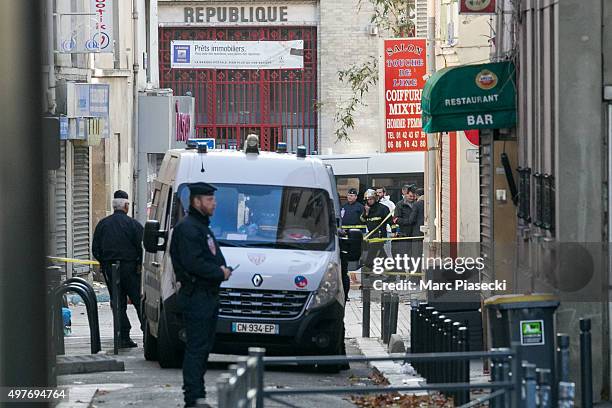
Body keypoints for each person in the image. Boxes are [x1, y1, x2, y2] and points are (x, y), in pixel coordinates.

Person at [170, 182, 233, 408]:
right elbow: (193, 262)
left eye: (213, 200)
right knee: (196, 348)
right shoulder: (188, 228)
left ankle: (198, 394)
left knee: (203, 347)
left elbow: (212, 255)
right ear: (196, 201)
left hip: (207, 295)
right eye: (209, 200)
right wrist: (218, 272)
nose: (214, 204)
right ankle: (194, 397)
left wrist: (222, 269)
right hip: (196, 294)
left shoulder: (201, 227)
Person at [92, 190, 144, 348]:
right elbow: (142, 248)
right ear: (126, 206)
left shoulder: (103, 224)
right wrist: (139, 265)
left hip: (110, 268)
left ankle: (122, 336)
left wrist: (105, 263)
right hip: (130, 269)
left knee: (117, 302)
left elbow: (96, 249)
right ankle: (147, 331)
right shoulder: (133, 225)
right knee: (138, 301)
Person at [360, 189, 390, 276]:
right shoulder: (366, 209)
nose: (369, 201)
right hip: (371, 235)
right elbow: (362, 221)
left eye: (371, 199)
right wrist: (366, 212)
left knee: (371, 255)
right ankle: (390, 272)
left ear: (375, 198)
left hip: (380, 235)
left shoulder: (383, 208)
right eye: (368, 199)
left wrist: (394, 231)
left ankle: (367, 271)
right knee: (382, 255)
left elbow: (390, 221)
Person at [375, 186, 395, 258]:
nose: (378, 194)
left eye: (380, 192)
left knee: (387, 250)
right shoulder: (373, 204)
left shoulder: (390, 204)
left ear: (384, 193)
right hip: (375, 231)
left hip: (387, 230)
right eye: (376, 193)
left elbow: (392, 217)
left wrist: (393, 230)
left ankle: (390, 264)